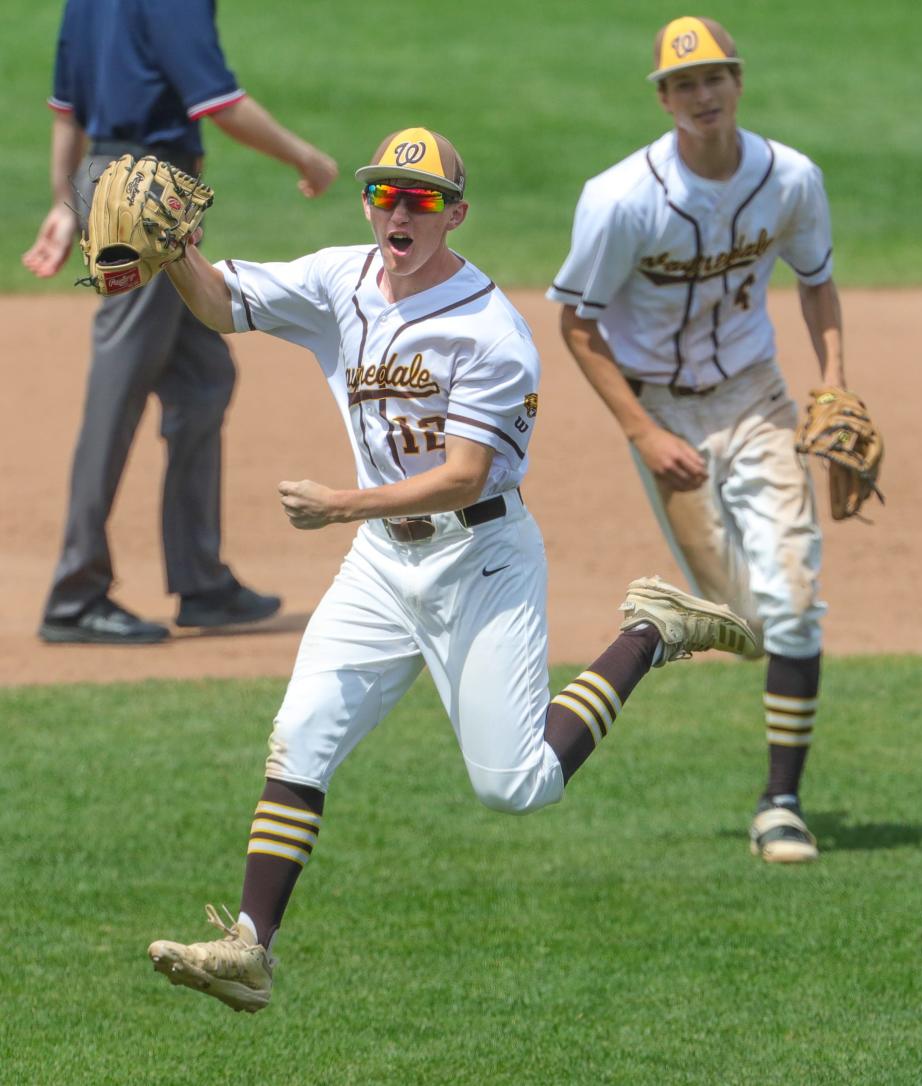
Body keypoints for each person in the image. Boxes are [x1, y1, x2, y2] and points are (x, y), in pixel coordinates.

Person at [145, 126, 757, 1012]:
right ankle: (249, 947)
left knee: (515, 785)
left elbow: (466, 474)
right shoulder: (337, 280)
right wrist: (176, 254)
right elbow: (218, 302)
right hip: (379, 567)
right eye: (385, 193)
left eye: (422, 198)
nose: (399, 209)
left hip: (480, 559)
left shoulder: (491, 332)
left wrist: (340, 504)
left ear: (455, 214)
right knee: (302, 734)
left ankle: (650, 632)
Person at [548, 16, 845, 863]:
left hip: (756, 397)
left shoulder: (790, 179)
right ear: (664, 97)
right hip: (663, 411)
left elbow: (818, 284)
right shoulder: (621, 200)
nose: (701, 95)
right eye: (683, 84)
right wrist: (641, 433)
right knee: (744, 620)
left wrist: (836, 385)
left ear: (738, 80)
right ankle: (666, 623)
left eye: (714, 77)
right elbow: (575, 323)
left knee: (794, 599)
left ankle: (781, 802)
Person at [24, 0, 339, 644]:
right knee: (119, 391)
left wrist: (70, 201)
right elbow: (219, 104)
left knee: (202, 379)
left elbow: (68, 110)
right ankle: (74, 593)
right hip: (149, 194)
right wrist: (307, 158)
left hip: (113, 181)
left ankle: (202, 582)